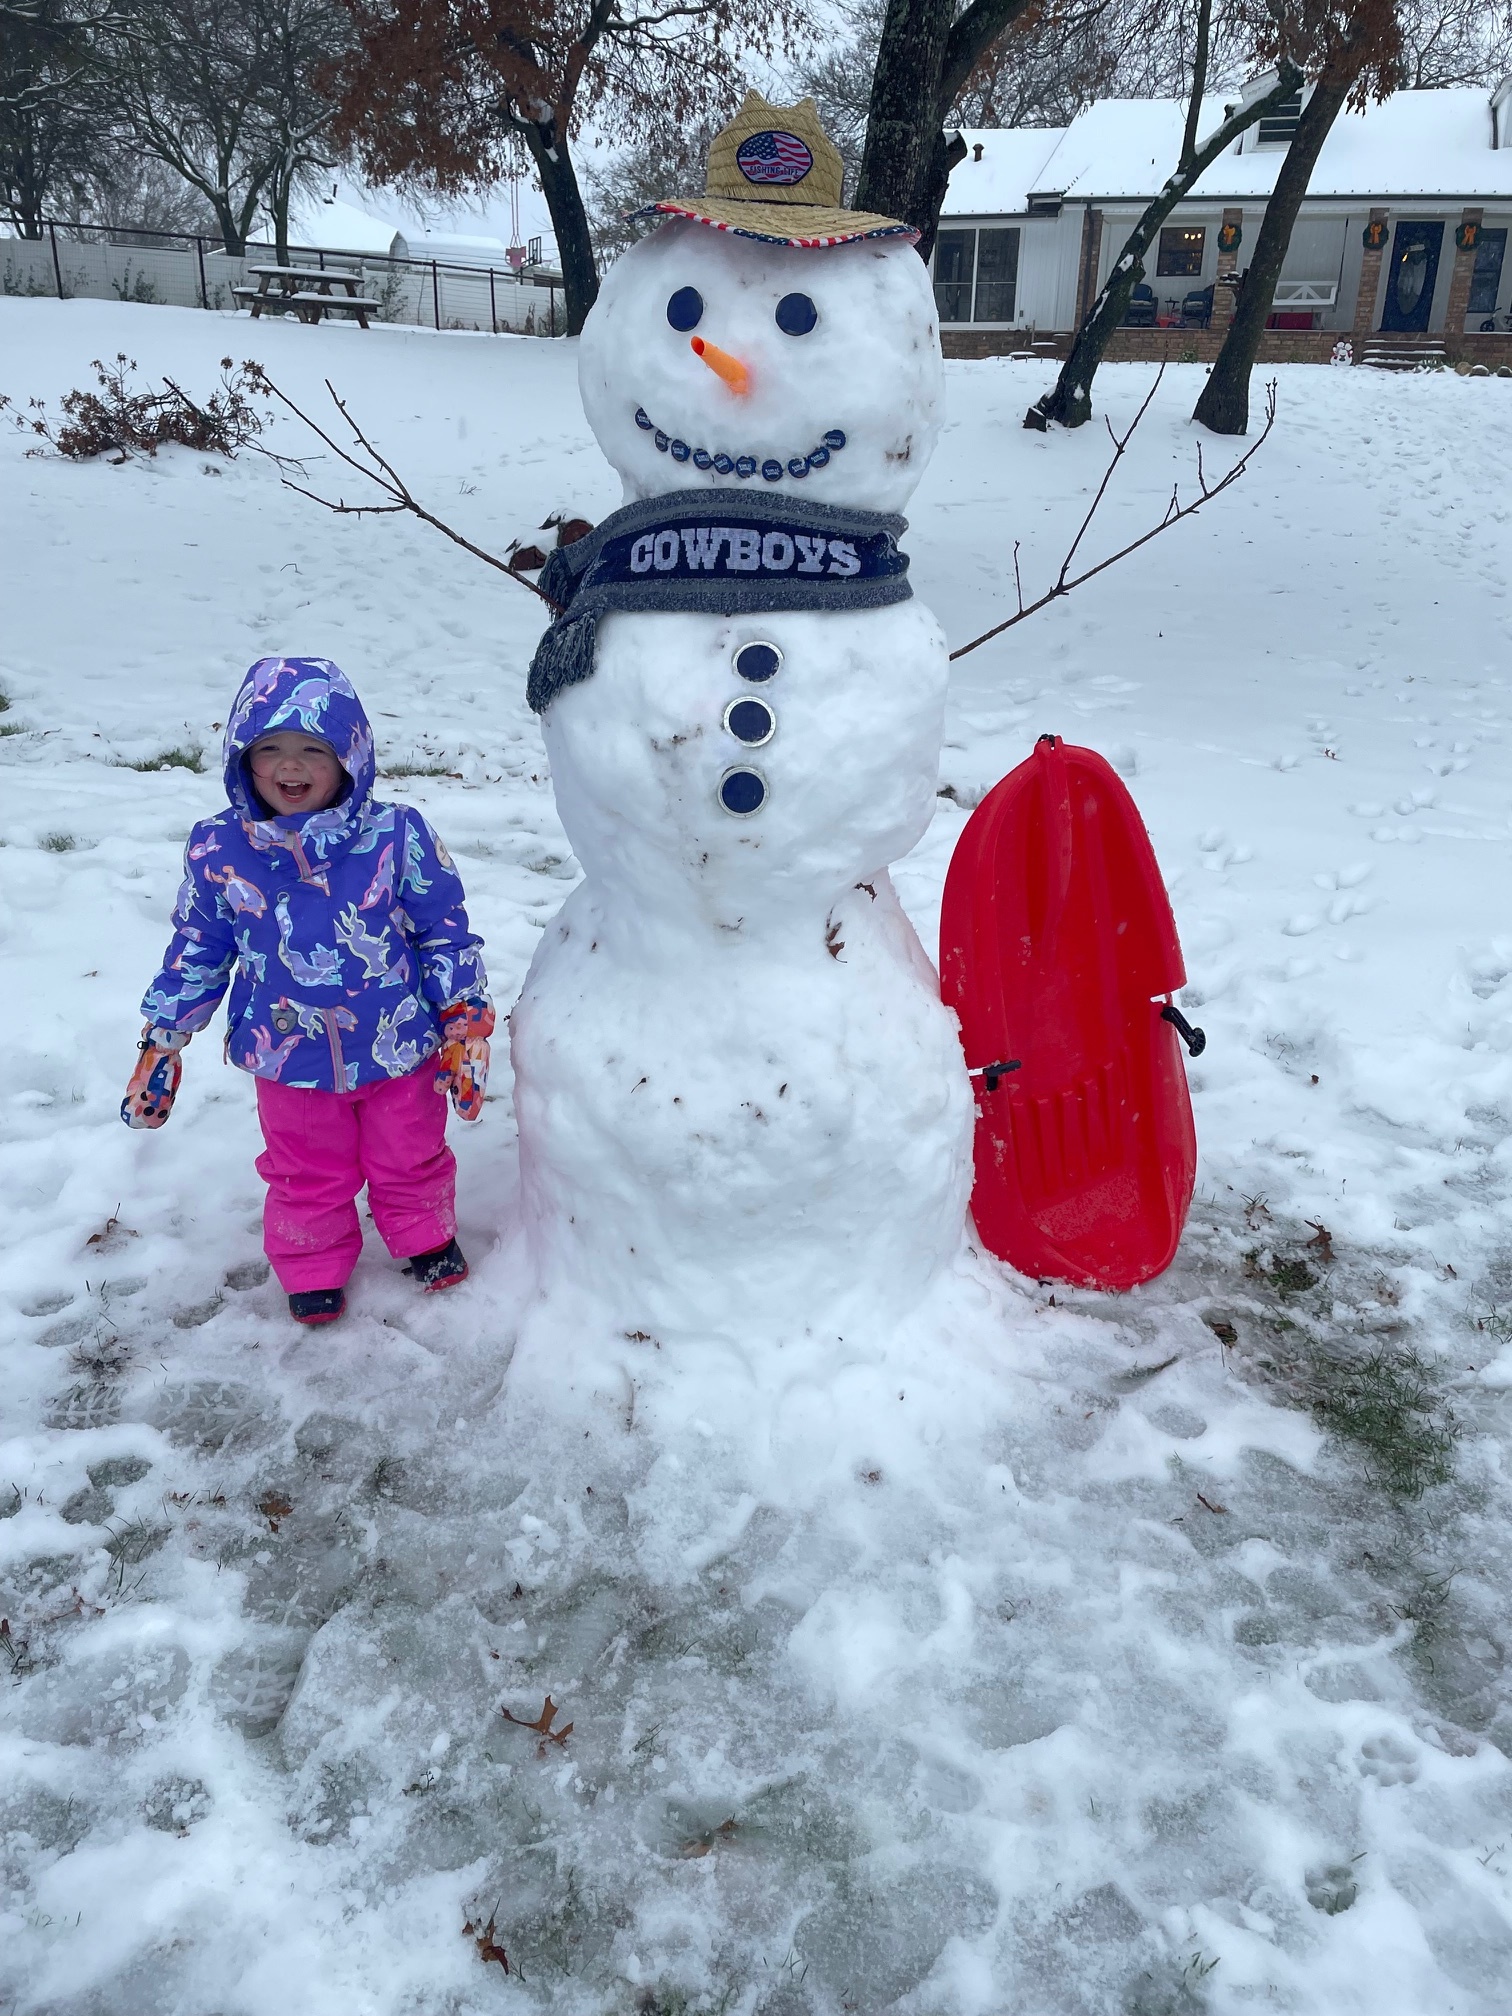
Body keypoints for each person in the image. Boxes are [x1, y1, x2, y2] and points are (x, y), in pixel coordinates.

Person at [122, 656, 494, 1327]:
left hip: (398, 1047)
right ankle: (312, 1263)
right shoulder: (220, 849)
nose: (290, 767)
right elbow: (200, 944)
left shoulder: (396, 836)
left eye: (312, 749)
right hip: (288, 1056)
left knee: (410, 1154)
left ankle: (423, 1236)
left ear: (349, 756)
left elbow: (443, 928)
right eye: (270, 749)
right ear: (244, 759)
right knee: (304, 1170)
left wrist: (465, 1019)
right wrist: (164, 1036)